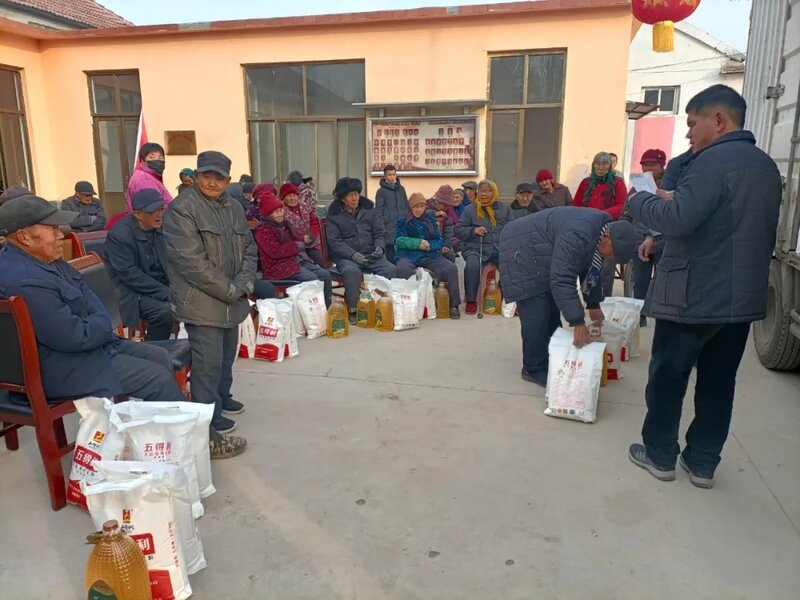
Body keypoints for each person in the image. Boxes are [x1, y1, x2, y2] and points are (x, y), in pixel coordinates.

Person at [626, 84, 782, 489]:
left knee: (668, 378)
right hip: (739, 299)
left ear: (718, 120)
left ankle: (660, 455)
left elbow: (679, 220)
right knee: (718, 384)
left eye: (693, 124)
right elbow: (722, 221)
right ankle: (703, 462)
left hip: (692, 297)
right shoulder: (765, 166)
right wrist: (674, 202)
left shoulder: (710, 162)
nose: (689, 133)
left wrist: (640, 199)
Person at [0, 194, 186, 404]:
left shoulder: (45, 259)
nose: (61, 235)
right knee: (155, 378)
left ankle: (159, 423)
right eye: (53, 228)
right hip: (60, 368)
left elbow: (86, 294)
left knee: (159, 356)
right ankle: (184, 425)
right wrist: (102, 323)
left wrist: (99, 322)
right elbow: (75, 336)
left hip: (87, 346)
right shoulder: (25, 280)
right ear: (24, 237)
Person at [163, 150, 253, 458]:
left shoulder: (235, 207)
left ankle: (222, 398)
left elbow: (249, 249)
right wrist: (231, 289)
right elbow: (191, 263)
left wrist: (244, 283)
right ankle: (207, 423)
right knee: (207, 363)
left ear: (228, 180)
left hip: (232, 297)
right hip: (202, 301)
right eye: (206, 176)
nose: (212, 183)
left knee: (226, 356)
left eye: (219, 178)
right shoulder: (181, 209)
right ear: (196, 176)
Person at [500, 207, 637, 387]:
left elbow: (589, 268)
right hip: (522, 250)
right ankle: (533, 369)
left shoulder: (601, 229)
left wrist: (593, 304)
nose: (611, 258)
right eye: (613, 253)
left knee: (552, 313)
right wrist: (577, 321)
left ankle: (551, 359)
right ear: (607, 238)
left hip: (543, 252)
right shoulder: (579, 234)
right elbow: (562, 277)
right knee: (537, 314)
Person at [325, 176, 397, 323]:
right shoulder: (334, 215)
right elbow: (335, 242)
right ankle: (354, 309)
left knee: (391, 270)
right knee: (351, 272)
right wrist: (353, 255)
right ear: (343, 199)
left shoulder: (369, 210)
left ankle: (389, 305)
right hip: (347, 257)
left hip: (371, 253)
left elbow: (379, 232)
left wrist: (379, 247)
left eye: (356, 194)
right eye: (350, 195)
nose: (355, 198)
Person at [105, 189, 174, 341]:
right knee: (165, 311)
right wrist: (167, 293)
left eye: (161, 209)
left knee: (197, 300)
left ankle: (193, 350)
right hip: (131, 292)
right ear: (138, 214)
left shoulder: (163, 229)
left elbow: (173, 262)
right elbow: (130, 275)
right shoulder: (120, 235)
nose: (159, 215)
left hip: (160, 286)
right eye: (153, 211)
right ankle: (155, 350)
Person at [254, 192, 332, 306]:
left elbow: (295, 239)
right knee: (312, 279)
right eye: (276, 212)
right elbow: (275, 252)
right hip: (277, 267)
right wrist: (296, 246)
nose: (280, 214)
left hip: (295, 261)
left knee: (325, 275)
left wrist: (303, 240)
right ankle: (309, 311)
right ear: (268, 214)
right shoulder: (262, 230)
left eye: (281, 210)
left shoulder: (284, 225)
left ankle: (326, 309)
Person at [395, 193, 461, 319]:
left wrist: (429, 245)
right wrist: (417, 243)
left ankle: (454, 305)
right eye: (416, 207)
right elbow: (399, 240)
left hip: (430, 255)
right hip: (408, 255)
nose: (419, 210)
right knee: (403, 268)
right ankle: (406, 305)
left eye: (421, 206)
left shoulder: (429, 219)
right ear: (410, 207)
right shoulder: (403, 220)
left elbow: (439, 240)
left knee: (451, 268)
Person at [455, 179, 514, 315]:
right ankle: (471, 300)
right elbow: (458, 230)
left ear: (494, 193)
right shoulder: (470, 209)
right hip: (476, 248)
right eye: (481, 191)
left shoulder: (505, 209)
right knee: (472, 265)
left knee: (511, 264)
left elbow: (513, 228)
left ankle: (505, 296)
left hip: (499, 248)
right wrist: (473, 231)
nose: (483, 194)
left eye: (487, 191)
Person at [574, 152, 629, 296]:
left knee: (606, 268)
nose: (601, 167)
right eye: (597, 164)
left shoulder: (616, 183)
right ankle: (589, 298)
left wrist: (602, 215)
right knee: (587, 265)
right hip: (588, 229)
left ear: (610, 166)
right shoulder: (586, 183)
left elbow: (622, 205)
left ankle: (604, 299)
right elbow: (577, 205)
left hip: (608, 231)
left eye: (605, 164)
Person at [630, 149, 668, 319]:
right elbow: (627, 212)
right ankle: (639, 317)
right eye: (645, 164)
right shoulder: (636, 187)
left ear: (662, 165)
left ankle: (658, 314)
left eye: (652, 164)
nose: (648, 168)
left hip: (663, 241)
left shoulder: (670, 185)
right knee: (640, 281)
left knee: (661, 280)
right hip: (639, 240)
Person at [280, 182, 324, 267]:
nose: (293, 198)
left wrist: (311, 236)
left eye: (294, 195)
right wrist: (302, 239)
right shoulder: (281, 212)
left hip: (312, 243)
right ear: (283, 198)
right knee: (307, 265)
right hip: (295, 247)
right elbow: (284, 232)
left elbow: (314, 223)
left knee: (321, 262)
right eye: (289, 196)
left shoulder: (305, 206)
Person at [374, 164, 409, 263]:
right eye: (389, 175)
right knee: (390, 254)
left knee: (403, 253)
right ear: (385, 176)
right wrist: (381, 228)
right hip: (388, 227)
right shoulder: (381, 192)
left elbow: (406, 205)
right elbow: (379, 212)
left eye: (394, 174)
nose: (392, 177)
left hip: (402, 226)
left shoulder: (401, 189)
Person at [126, 143, 172, 213]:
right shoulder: (145, 180)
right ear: (142, 160)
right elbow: (153, 208)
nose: (157, 160)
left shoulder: (149, 176)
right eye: (151, 157)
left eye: (160, 157)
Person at [427, 184, 460, 258]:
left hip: (440, 244)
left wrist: (446, 246)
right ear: (438, 201)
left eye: (448, 205)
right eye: (445, 205)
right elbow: (419, 214)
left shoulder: (447, 211)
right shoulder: (425, 204)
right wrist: (433, 213)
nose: (446, 208)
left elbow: (448, 231)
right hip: (424, 242)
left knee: (450, 255)